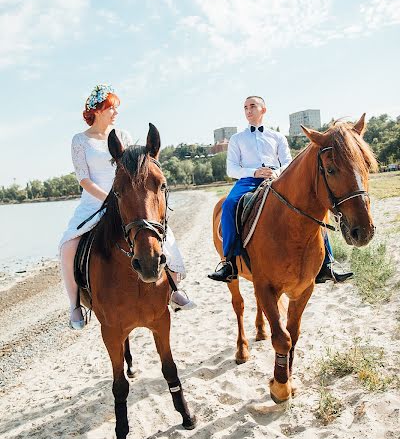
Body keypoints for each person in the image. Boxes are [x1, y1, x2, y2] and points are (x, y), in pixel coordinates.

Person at [59, 84, 196, 330]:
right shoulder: (79, 140)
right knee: (67, 247)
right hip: (95, 201)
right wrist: (108, 199)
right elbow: (84, 179)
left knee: (164, 235)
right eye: (111, 108)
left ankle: (174, 288)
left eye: (116, 108)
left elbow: (136, 173)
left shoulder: (123, 135)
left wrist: (127, 199)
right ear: (98, 110)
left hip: (127, 199)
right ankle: (75, 306)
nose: (115, 113)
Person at [208, 95, 353, 284]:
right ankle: (229, 262)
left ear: (263, 110)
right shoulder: (237, 139)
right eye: (245, 107)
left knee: (315, 206)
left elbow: (288, 163)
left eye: (252, 106)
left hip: (278, 179)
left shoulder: (277, 137)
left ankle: (327, 263)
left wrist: (276, 173)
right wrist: (255, 172)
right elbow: (232, 169)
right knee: (228, 205)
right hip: (248, 181)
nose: (248, 110)